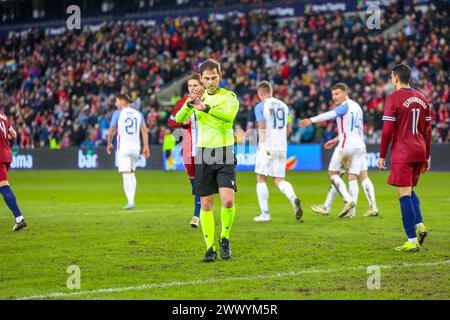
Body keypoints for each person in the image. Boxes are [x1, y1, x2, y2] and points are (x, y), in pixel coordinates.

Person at [175, 59, 239, 262]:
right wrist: (189, 102)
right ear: (201, 79)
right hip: (203, 153)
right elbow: (178, 119)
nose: (211, 81)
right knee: (206, 204)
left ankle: (225, 238)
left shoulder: (228, 96)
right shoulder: (195, 97)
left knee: (228, 200)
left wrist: (206, 108)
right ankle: (210, 247)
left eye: (214, 78)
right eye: (207, 79)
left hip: (224, 152)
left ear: (220, 76)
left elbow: (229, 117)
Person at [378, 63, 431, 252]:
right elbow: (428, 130)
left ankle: (411, 240)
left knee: (403, 194)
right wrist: (428, 155)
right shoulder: (423, 98)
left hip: (403, 151)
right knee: (409, 189)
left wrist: (382, 154)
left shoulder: (393, 98)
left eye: (392, 77)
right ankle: (419, 225)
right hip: (419, 150)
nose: (391, 80)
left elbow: (387, 131)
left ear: (396, 78)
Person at [299, 83, 365, 218]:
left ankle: (348, 200)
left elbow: (330, 115)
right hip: (359, 146)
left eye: (337, 94)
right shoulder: (357, 107)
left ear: (345, 93)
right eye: (333, 94)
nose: (334, 97)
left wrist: (311, 120)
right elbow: (354, 129)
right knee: (352, 177)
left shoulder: (343, 106)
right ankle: (346, 212)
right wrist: (336, 139)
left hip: (346, 146)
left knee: (332, 174)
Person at [252, 81, 303, 222]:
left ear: (259, 94)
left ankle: (265, 214)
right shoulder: (286, 106)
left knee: (261, 177)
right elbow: (290, 128)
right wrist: (281, 140)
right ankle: (293, 198)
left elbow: (262, 127)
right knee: (279, 179)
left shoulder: (260, 106)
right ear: (271, 91)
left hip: (267, 145)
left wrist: (261, 143)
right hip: (282, 146)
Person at [311, 135, 378, 217]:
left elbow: (347, 131)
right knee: (363, 177)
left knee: (336, 175)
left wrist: (335, 139)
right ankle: (373, 207)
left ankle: (344, 209)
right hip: (360, 145)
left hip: (347, 146)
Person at [168, 73, 203, 229]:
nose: (193, 88)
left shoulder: (208, 101)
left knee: (202, 182)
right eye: (190, 86)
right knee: (194, 182)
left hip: (205, 146)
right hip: (188, 147)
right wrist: (182, 122)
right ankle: (200, 205)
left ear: (202, 86)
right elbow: (171, 121)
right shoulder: (183, 102)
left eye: (195, 85)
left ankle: (197, 215)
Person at [107, 94, 150, 209]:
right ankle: (132, 199)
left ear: (122, 102)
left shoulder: (118, 114)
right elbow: (144, 131)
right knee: (131, 172)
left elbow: (111, 131)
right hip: (136, 148)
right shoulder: (138, 113)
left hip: (124, 147)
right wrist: (146, 146)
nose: (116, 104)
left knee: (126, 174)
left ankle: (131, 201)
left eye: (117, 101)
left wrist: (109, 143)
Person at [0, 111, 27, 231]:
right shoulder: (2, 114)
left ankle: (19, 218)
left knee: (3, 185)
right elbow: (14, 134)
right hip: (7, 153)